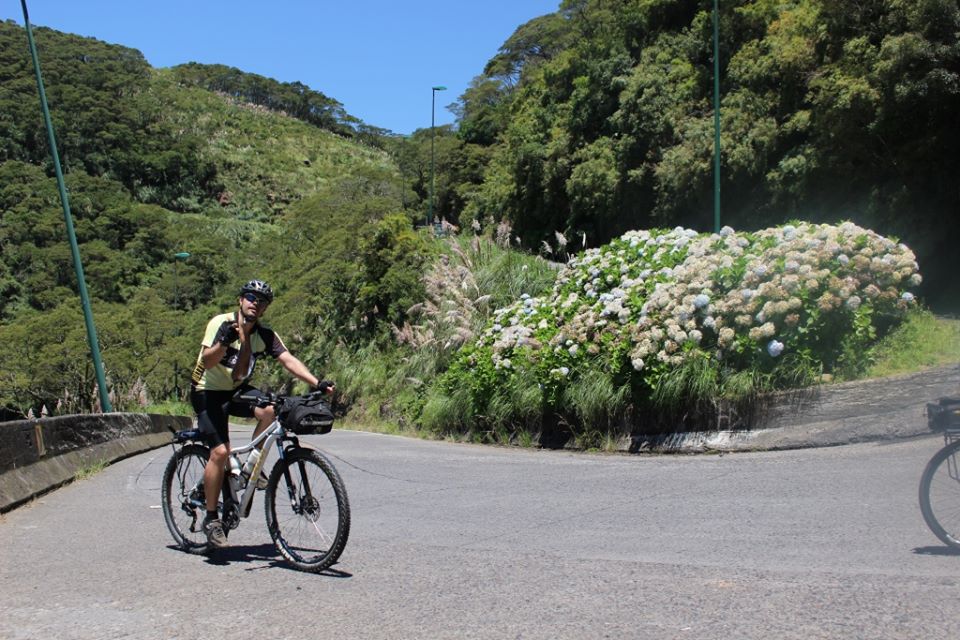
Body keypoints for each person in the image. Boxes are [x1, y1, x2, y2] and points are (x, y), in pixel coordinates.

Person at [189, 278, 333, 548]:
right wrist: (225, 342)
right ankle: (211, 519)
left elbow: (286, 359)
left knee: (271, 410)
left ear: (265, 309)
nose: (256, 303)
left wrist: (317, 382)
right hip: (206, 391)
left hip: (235, 388)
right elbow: (208, 362)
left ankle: (250, 465)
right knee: (219, 452)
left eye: (262, 301)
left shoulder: (263, 335)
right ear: (240, 300)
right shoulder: (221, 322)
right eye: (251, 297)